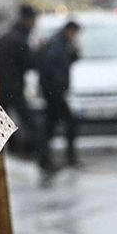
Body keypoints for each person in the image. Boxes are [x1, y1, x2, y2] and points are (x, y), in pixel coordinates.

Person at [0, 5, 42, 162]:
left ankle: (13, 149)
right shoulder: (19, 40)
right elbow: (31, 63)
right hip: (13, 88)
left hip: (2, 87)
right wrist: (40, 52)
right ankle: (42, 155)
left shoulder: (7, 37)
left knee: (1, 124)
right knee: (28, 122)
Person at [37, 21, 82, 169]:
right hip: (54, 92)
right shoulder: (56, 44)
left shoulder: (62, 43)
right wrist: (57, 87)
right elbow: (52, 68)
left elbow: (68, 61)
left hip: (55, 92)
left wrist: (75, 51)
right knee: (67, 123)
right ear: (69, 30)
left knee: (51, 125)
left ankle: (45, 157)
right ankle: (58, 157)